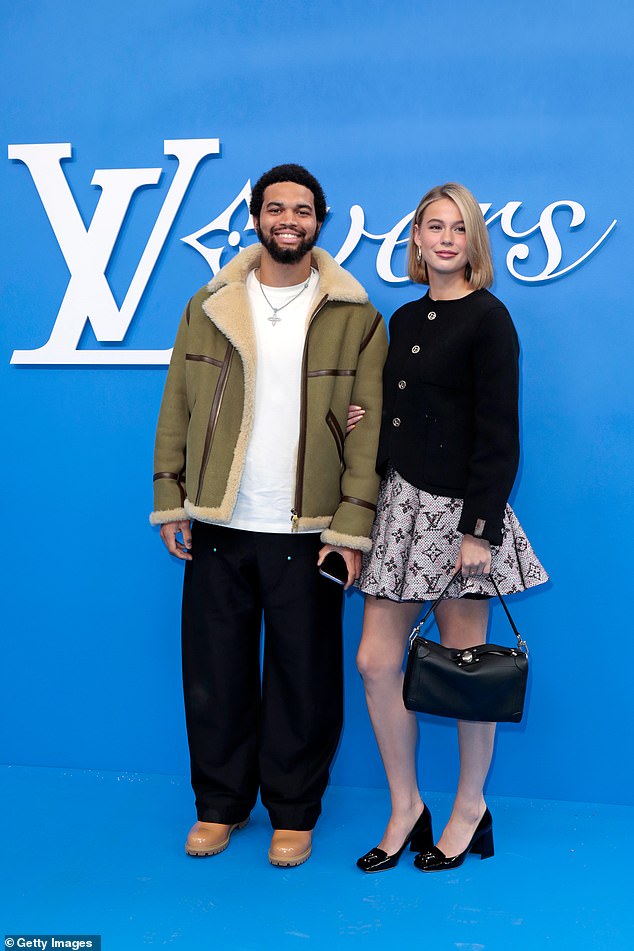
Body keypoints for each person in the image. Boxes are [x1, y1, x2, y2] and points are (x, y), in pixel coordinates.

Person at [151, 164, 387, 867]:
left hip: (308, 532)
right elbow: (178, 406)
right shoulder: (210, 304)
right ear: (255, 217)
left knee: (303, 678)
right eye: (276, 207)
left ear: (322, 220)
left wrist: (351, 526)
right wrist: (171, 495)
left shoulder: (356, 315)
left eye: (304, 209)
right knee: (214, 673)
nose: (290, 219)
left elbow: (369, 431)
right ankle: (219, 806)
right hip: (221, 524)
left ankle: (293, 810)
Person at [353, 182, 548, 873]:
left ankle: (470, 807)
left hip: (461, 515)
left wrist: (480, 530)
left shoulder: (491, 319)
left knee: (467, 671)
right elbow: (394, 412)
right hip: (400, 509)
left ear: (473, 243)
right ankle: (406, 805)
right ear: (414, 240)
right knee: (377, 661)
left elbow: (500, 433)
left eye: (456, 228)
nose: (443, 238)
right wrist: (356, 424)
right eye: (431, 226)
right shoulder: (402, 319)